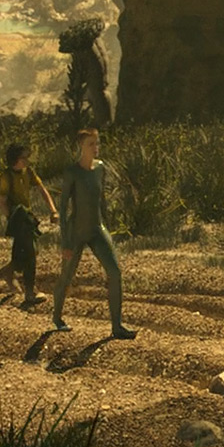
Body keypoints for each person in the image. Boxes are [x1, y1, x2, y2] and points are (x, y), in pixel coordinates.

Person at [49, 129, 132, 339]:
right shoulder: (72, 172)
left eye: (97, 143)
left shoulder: (100, 168)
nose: (95, 148)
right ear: (81, 146)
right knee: (66, 276)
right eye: (90, 144)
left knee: (115, 273)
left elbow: (101, 200)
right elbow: (63, 207)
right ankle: (57, 318)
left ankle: (117, 327)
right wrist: (65, 242)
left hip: (97, 229)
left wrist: (108, 228)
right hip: (76, 232)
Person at [0, 143, 58, 304]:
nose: (26, 160)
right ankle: (30, 292)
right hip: (18, 218)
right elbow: (2, 201)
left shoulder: (28, 172)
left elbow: (42, 189)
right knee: (30, 253)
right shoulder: (5, 177)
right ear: (15, 159)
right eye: (23, 157)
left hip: (27, 217)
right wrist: (11, 219)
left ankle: (9, 272)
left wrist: (53, 210)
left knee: (27, 252)